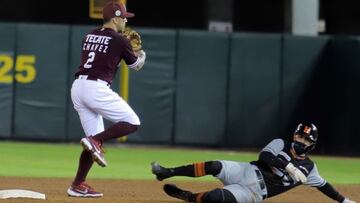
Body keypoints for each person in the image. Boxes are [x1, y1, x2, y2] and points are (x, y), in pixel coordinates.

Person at [151, 122, 356, 203]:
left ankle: (187, 196)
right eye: (299, 137)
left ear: (311, 144)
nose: (300, 142)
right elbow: (264, 157)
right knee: (214, 165)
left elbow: (324, 186)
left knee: (215, 198)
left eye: (305, 140)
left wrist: (344, 201)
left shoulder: (310, 168)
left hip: (255, 192)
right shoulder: (281, 143)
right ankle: (167, 172)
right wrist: (288, 166)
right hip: (245, 171)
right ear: (294, 135)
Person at [67, 1, 146, 198]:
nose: (125, 21)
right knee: (133, 122)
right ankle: (96, 140)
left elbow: (105, 51)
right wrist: (140, 53)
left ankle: (77, 184)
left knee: (92, 147)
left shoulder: (89, 34)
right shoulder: (120, 39)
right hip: (96, 89)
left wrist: (123, 45)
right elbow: (135, 65)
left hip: (78, 88)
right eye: (124, 17)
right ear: (116, 18)